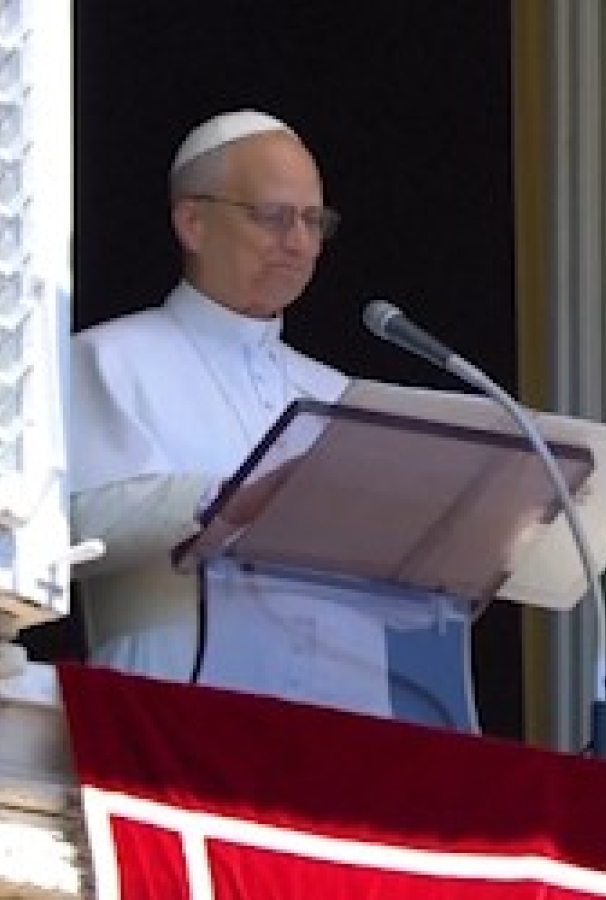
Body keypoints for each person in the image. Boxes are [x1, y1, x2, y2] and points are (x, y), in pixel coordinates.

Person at [70, 110, 478, 729]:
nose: (298, 242)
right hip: (175, 710)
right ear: (193, 222)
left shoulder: (339, 395)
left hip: (345, 720)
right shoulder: (109, 358)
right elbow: (63, 528)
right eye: (272, 217)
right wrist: (222, 501)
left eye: (313, 222)